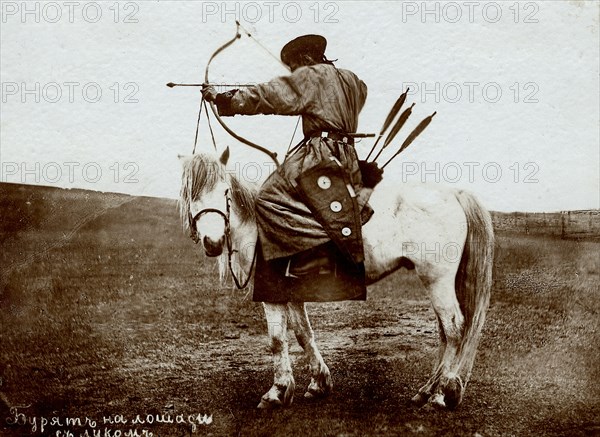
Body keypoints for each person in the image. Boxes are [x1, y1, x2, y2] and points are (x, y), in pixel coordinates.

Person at [202, 34, 378, 302]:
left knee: (267, 199)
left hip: (320, 155)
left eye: (294, 66)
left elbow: (269, 95)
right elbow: (356, 96)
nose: (294, 72)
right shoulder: (353, 80)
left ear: (305, 58)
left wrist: (222, 99)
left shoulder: (310, 76)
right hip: (348, 156)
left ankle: (311, 259)